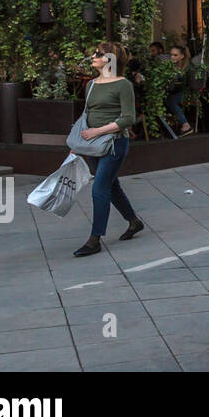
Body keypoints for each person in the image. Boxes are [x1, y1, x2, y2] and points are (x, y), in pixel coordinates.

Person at [73, 41, 145, 257]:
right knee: (111, 186)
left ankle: (95, 239)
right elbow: (87, 115)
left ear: (111, 60)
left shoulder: (123, 85)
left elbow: (128, 118)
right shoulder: (91, 85)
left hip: (114, 144)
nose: (93, 55)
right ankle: (134, 221)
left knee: (99, 187)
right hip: (92, 144)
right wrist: (76, 144)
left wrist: (98, 131)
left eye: (99, 53)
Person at [163, 44, 195, 135]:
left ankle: (185, 125)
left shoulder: (189, 67)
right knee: (165, 98)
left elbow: (189, 84)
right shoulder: (173, 66)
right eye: (171, 55)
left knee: (170, 100)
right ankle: (170, 124)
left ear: (182, 56)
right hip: (177, 92)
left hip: (188, 93)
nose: (172, 57)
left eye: (175, 55)